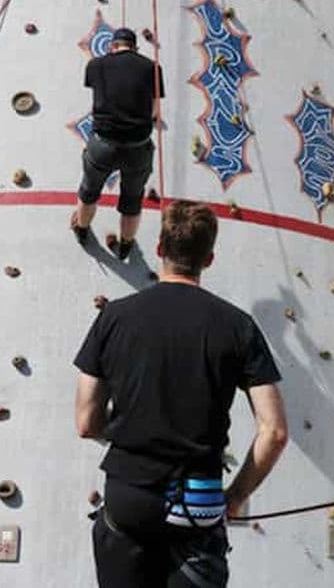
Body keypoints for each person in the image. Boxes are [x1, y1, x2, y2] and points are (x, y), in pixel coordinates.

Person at [74, 200, 288, 588]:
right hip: (197, 501)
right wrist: (235, 497)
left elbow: (86, 422)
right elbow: (273, 432)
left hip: (128, 496)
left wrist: (128, 430)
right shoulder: (238, 327)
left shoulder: (114, 318)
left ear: (159, 250)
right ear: (208, 259)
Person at [71, 27, 165, 260]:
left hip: (103, 145)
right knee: (132, 200)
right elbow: (154, 110)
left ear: (112, 46)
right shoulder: (153, 68)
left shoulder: (95, 65)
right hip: (138, 148)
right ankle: (125, 245)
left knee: (89, 191)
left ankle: (82, 228)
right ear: (135, 47)